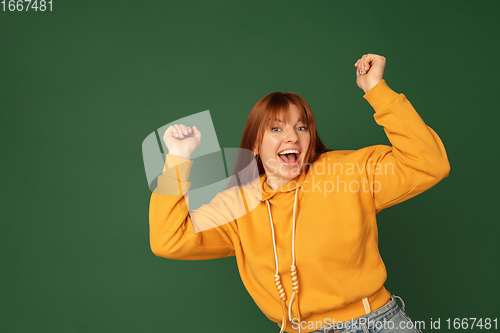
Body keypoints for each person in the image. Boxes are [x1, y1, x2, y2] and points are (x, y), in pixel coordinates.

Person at [149, 54, 450, 333]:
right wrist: (177, 158)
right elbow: (168, 240)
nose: (292, 136)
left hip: (376, 324)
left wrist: (376, 89)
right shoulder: (237, 205)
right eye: (276, 129)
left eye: (302, 127)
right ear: (254, 144)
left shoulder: (345, 173)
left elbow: (429, 163)